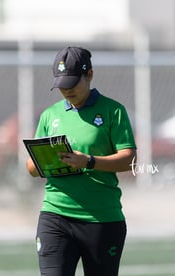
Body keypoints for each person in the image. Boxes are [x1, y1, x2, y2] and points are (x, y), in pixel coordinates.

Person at [26, 46, 137, 276]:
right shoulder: (50, 115)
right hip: (55, 215)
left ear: (90, 75)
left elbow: (129, 160)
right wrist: (46, 161)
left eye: (72, 83)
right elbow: (31, 167)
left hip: (101, 219)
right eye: (61, 85)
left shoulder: (113, 111)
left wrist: (88, 161)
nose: (67, 90)